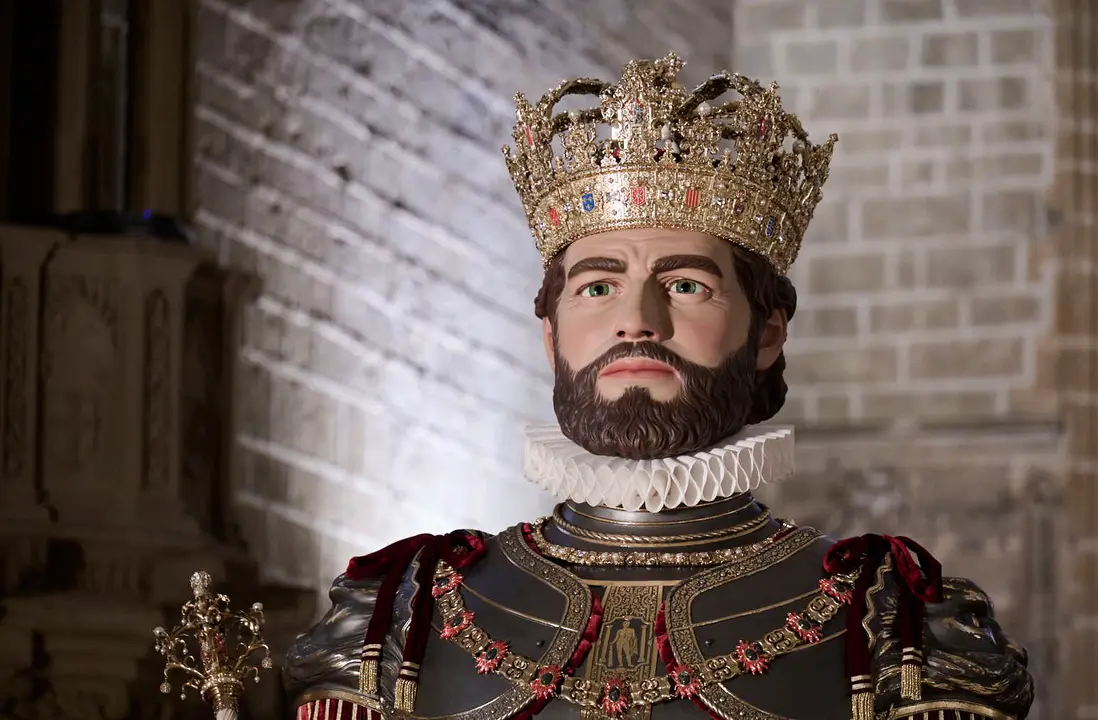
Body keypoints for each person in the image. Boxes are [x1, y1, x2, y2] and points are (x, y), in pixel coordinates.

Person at [283, 54, 1034, 720]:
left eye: (682, 284)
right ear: (550, 335)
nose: (635, 322)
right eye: (597, 288)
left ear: (767, 333)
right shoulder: (399, 611)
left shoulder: (896, 621)